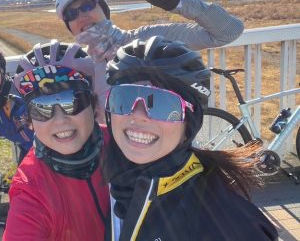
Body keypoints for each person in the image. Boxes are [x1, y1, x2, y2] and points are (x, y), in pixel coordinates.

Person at [103, 36, 277, 241]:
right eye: (124, 98)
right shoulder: (118, 181)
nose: (138, 115)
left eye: (163, 104)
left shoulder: (225, 223)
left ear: (190, 124)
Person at [55, 0, 244, 121]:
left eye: (88, 5)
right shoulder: (83, 68)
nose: (81, 15)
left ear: (104, 8)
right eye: (71, 14)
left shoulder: (150, 41)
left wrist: (176, 1)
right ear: (69, 26)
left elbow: (228, 31)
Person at [3, 40, 109, 241]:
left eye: (73, 102)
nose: (60, 120)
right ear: (30, 121)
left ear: (94, 105)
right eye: (41, 108)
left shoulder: (121, 143)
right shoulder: (31, 190)